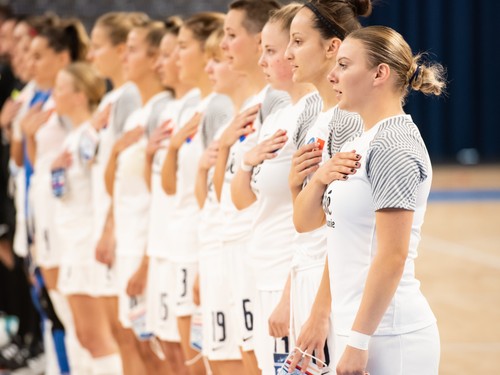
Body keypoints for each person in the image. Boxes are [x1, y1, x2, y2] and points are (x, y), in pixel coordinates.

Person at [292, 25, 445, 375]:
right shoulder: (360, 141)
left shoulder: (393, 145)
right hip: (356, 330)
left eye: (344, 65)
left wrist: (359, 342)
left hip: (389, 338)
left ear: (380, 73)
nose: (333, 74)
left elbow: (392, 254)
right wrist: (317, 178)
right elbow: (307, 223)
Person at [283, 0, 370, 366]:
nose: (289, 54)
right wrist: (295, 186)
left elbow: (348, 230)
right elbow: (304, 222)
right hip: (308, 273)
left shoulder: (349, 119)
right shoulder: (312, 112)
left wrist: (321, 309)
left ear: (332, 47)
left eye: (298, 42)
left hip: (334, 289)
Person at [215, 1, 289, 372]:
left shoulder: (277, 105)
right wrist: (228, 148)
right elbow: (224, 195)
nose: (222, 47)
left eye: (230, 35)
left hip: (261, 256)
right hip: (236, 250)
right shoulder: (250, 106)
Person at [160, 12, 233, 375]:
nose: (174, 57)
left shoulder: (219, 107)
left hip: (201, 243)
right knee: (184, 356)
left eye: (183, 47)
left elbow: (217, 195)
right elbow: (174, 186)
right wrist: (172, 149)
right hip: (185, 239)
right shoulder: (196, 108)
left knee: (197, 361)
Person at [104, 18, 171, 375]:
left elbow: (161, 194)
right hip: (128, 243)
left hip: (148, 245)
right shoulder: (138, 113)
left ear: (153, 58)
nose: (125, 57)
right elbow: (112, 185)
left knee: (156, 352)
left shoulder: (161, 111)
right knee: (133, 343)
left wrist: (146, 262)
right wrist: (115, 152)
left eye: (133, 50)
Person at [87, 11, 147, 375]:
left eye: (98, 47)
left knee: (130, 336)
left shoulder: (131, 99)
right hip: (113, 221)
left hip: (127, 227)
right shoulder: (116, 98)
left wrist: (110, 227)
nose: (92, 55)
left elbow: (127, 172)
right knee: (121, 333)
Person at [194, 27, 253, 375]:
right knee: (218, 363)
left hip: (243, 258)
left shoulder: (255, 113)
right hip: (216, 254)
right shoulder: (225, 123)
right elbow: (212, 201)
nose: (212, 68)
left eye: (218, 59)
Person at [143, 15, 194, 375]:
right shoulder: (169, 110)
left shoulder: (201, 108)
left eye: (174, 51)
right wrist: (151, 154)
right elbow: (160, 188)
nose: (164, 62)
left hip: (189, 246)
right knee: (168, 352)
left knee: (188, 357)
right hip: (163, 243)